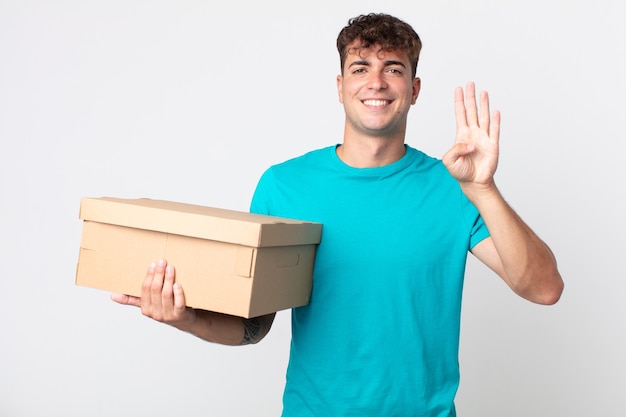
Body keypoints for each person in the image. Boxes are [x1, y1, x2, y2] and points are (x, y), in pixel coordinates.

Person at [112, 13, 564, 416]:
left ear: (415, 89)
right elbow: (254, 326)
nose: (377, 82)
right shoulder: (284, 186)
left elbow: (544, 289)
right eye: (360, 68)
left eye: (394, 69)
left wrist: (483, 189)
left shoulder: (455, 186)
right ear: (340, 86)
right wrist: (186, 317)